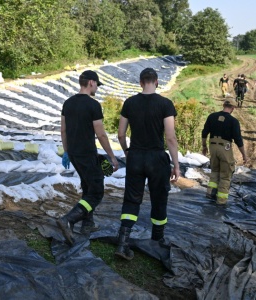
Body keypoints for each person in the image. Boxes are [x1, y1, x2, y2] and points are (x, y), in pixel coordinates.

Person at [114, 68, 179, 261]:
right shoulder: (165, 104)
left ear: (141, 82)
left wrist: (127, 151)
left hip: (135, 157)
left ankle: (123, 242)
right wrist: (176, 164)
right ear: (156, 82)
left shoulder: (129, 103)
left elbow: (120, 134)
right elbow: (170, 137)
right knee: (159, 198)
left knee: (132, 199)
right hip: (156, 158)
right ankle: (157, 240)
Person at [57, 70, 119, 245]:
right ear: (91, 83)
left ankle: (88, 223)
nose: (97, 89)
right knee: (96, 192)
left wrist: (67, 151)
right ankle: (68, 219)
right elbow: (101, 134)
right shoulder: (93, 105)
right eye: (97, 85)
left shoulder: (68, 103)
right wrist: (112, 156)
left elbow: (63, 130)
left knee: (87, 186)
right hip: (86, 153)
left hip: (75, 153)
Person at [202, 99, 247, 205]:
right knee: (225, 175)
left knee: (214, 172)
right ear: (233, 108)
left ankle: (210, 195)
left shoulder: (211, 116)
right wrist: (244, 155)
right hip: (225, 148)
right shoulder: (233, 121)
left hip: (212, 146)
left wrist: (204, 146)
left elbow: (204, 132)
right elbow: (238, 139)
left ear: (223, 105)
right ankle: (221, 202)